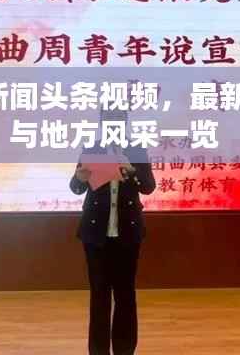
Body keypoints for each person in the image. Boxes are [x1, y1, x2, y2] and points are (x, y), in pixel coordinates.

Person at [69, 108, 156, 355]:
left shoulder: (136, 150)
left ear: (124, 123)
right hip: (96, 235)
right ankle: (98, 351)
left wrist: (133, 171)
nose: (113, 127)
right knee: (99, 295)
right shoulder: (92, 149)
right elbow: (76, 187)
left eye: (118, 121)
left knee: (125, 294)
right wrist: (79, 178)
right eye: (108, 121)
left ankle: (124, 350)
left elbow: (149, 187)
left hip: (127, 233)